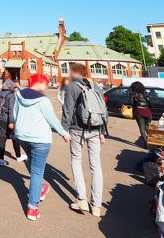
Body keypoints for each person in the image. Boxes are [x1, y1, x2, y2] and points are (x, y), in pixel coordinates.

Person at [14, 73, 70, 221]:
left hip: (21, 136)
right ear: (38, 84)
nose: (46, 87)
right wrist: (63, 133)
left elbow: (15, 114)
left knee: (33, 166)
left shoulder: (19, 95)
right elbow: (52, 119)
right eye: (45, 84)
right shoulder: (43, 100)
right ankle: (32, 207)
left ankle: (39, 188)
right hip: (39, 139)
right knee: (37, 171)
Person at [61, 63, 106, 217]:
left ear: (74, 73)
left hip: (77, 129)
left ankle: (82, 200)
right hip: (95, 129)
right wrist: (103, 131)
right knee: (96, 166)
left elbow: (67, 110)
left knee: (76, 161)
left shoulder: (72, 86)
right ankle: (96, 206)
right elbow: (103, 109)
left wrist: (63, 129)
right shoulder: (95, 86)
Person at [0, 79, 24, 165]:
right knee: (15, 138)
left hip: (0, 119)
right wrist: (11, 122)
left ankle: (0, 160)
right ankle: (18, 156)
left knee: (2, 139)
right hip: (8, 119)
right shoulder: (11, 96)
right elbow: (11, 110)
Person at [129, 81, 152, 146]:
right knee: (147, 127)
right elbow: (150, 101)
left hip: (139, 111)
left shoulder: (133, 93)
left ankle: (146, 143)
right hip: (147, 111)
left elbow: (131, 103)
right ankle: (153, 141)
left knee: (142, 128)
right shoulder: (145, 92)